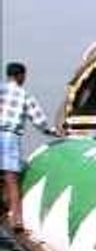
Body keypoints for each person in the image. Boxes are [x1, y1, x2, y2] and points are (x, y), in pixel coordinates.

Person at [0, 62, 58, 230]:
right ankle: (16, 220)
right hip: (10, 137)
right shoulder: (24, 95)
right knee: (12, 180)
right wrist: (54, 132)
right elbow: (40, 122)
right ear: (20, 76)